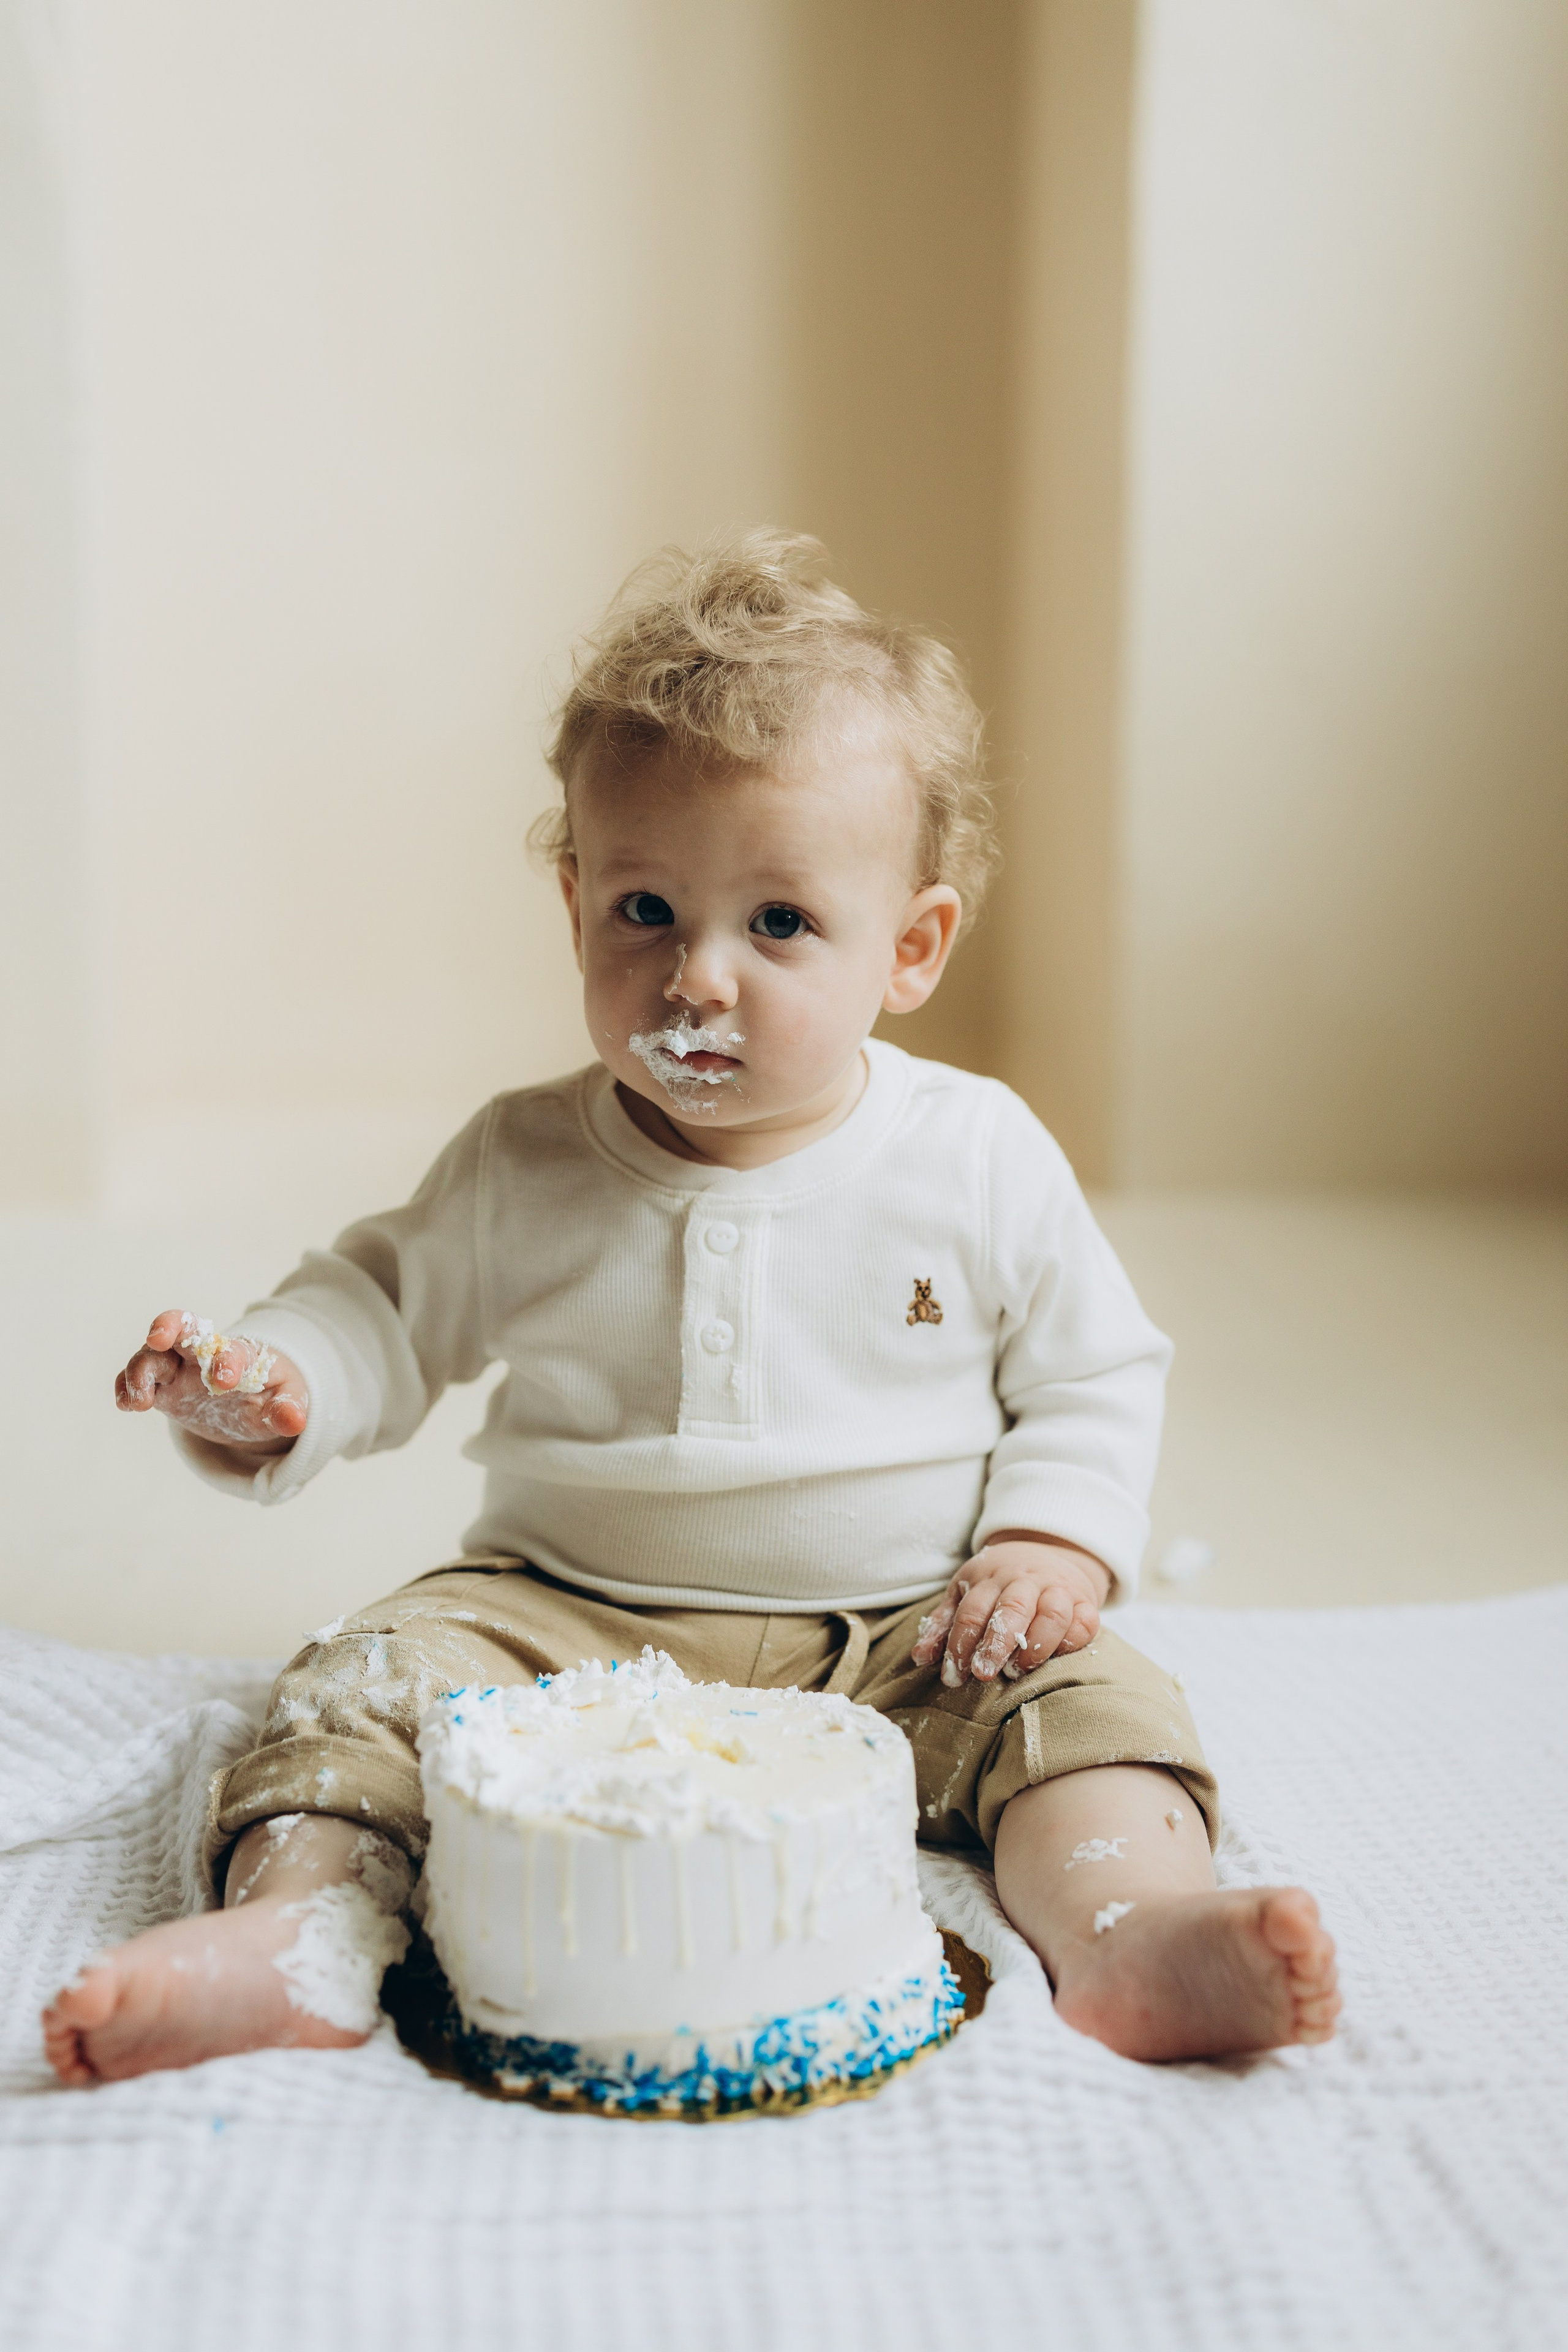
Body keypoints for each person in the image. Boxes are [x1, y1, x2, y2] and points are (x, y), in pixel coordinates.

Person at [43, 531, 1340, 2087]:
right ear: (575, 900)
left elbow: (1092, 1374)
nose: (696, 980)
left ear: (908, 948)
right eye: (646, 910)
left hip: (908, 1626)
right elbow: (380, 1315)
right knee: (358, 1684)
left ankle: (1129, 1928)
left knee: (1093, 1710)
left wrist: (1047, 1545)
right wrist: (273, 1384)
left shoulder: (973, 1155)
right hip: (562, 1614)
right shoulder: (525, 1157)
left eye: (778, 924)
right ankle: (304, 1936)